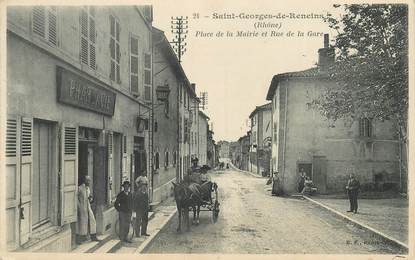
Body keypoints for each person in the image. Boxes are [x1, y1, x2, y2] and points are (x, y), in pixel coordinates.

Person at [76, 175, 100, 244]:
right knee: (82, 223)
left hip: (88, 207)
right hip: (82, 207)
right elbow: (76, 197)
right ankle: (80, 239)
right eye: (87, 180)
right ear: (84, 181)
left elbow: (89, 196)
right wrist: (79, 206)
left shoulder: (88, 188)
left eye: (89, 180)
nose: (89, 182)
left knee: (92, 220)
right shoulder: (80, 188)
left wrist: (90, 198)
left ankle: (93, 236)